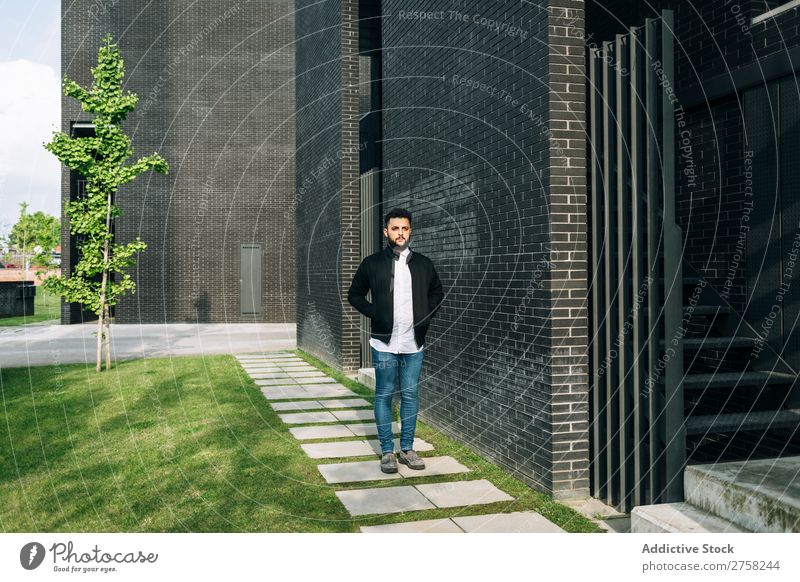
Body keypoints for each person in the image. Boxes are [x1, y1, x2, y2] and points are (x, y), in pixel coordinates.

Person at [347, 208, 444, 473]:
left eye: (404, 228)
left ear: (410, 231)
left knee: (411, 393)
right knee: (385, 394)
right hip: (384, 343)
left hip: (414, 343)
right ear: (386, 232)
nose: (400, 233)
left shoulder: (424, 264)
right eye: (395, 228)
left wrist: (425, 315)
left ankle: (408, 449)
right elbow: (354, 295)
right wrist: (375, 313)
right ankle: (387, 452)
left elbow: (437, 292)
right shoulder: (372, 263)